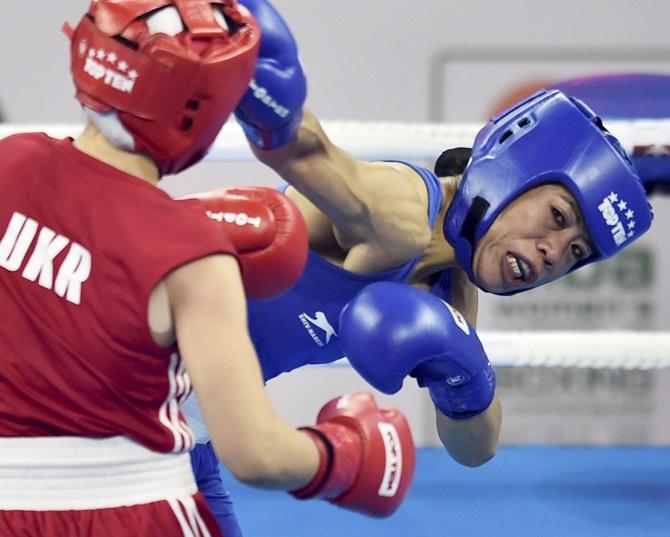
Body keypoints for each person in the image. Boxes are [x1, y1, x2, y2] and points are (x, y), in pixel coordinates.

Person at [181, 0, 655, 535]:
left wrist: (466, 375)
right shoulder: (401, 215)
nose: (553, 252)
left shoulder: (447, 284)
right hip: (108, 369)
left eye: (575, 252)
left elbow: (477, 449)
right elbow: (303, 151)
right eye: (558, 216)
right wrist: (250, 62)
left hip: (180, 433)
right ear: (517, 172)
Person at [0, 1, 415, 535]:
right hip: (133, 511)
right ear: (206, 106)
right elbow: (255, 454)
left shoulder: (11, 162)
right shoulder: (189, 249)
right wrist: (346, 458)